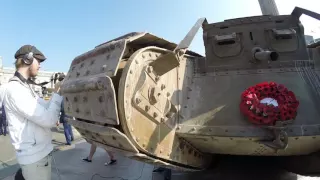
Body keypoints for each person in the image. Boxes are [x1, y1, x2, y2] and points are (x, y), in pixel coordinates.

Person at [0, 45, 63, 180]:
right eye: (38, 61)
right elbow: (49, 119)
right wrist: (57, 94)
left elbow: (45, 107)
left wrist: (55, 94)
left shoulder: (25, 87)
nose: (40, 66)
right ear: (27, 60)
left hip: (39, 154)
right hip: (34, 158)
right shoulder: (16, 90)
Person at [55, 73, 74, 145]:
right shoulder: (68, 93)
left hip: (65, 113)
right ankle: (72, 138)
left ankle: (69, 141)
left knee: (66, 127)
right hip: (69, 113)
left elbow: (60, 107)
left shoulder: (60, 95)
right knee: (69, 126)